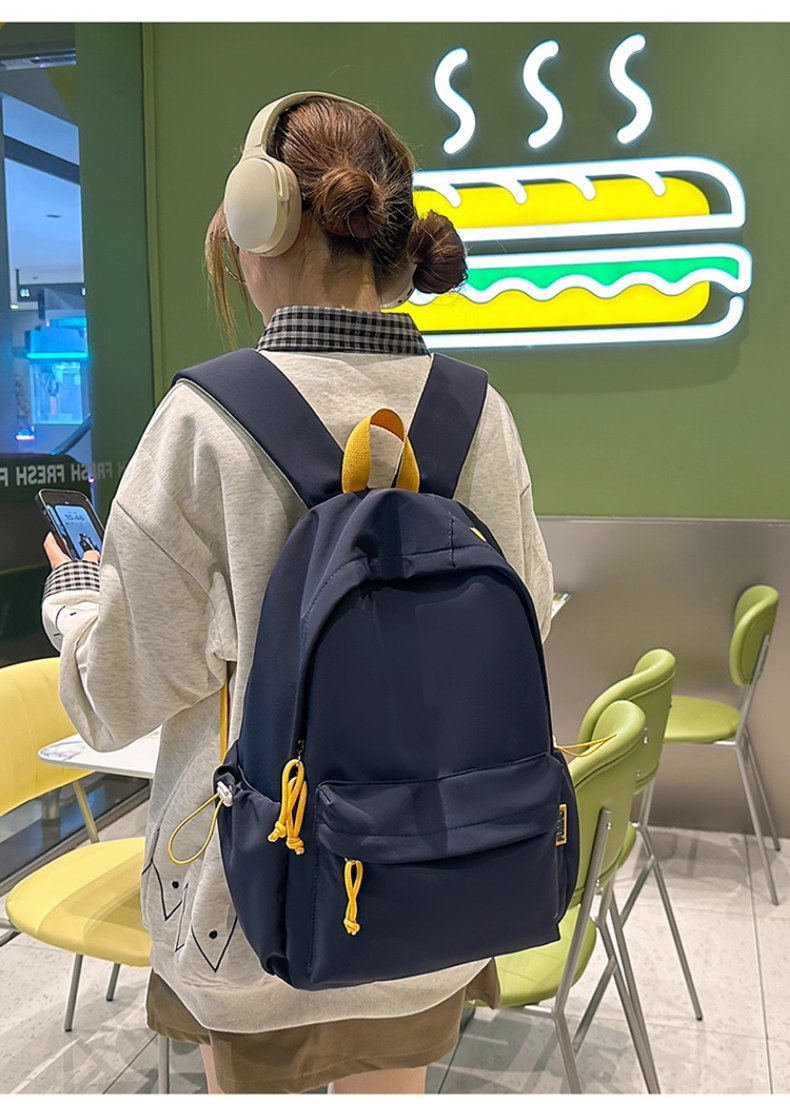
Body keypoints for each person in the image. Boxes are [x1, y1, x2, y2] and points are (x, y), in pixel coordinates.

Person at [41, 92, 554, 1095]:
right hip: (438, 886)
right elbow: (524, 624)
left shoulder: (205, 421)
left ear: (258, 219)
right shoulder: (476, 413)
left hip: (256, 908)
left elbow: (114, 699)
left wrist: (76, 602)